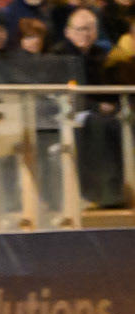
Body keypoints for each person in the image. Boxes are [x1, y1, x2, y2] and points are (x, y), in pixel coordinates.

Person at [53, 7, 125, 206]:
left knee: (122, 124)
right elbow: (60, 94)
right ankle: (98, 193)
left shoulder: (102, 55)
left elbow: (112, 88)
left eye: (90, 29)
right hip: (71, 113)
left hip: (104, 112)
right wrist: (96, 107)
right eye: (80, 29)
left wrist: (113, 104)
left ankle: (119, 188)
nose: (85, 34)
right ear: (68, 32)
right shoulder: (59, 55)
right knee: (97, 126)